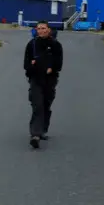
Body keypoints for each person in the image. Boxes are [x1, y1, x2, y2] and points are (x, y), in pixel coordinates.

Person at [23, 20, 63, 149]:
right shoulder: (31, 45)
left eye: (44, 28)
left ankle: (43, 130)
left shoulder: (56, 45)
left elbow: (59, 64)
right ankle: (35, 135)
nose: (41, 30)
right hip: (35, 79)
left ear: (49, 30)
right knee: (37, 105)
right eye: (39, 28)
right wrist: (32, 67)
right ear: (36, 30)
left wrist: (51, 68)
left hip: (50, 80)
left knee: (46, 104)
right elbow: (26, 65)